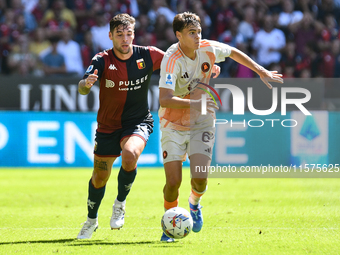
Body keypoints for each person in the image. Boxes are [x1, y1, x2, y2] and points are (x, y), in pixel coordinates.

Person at [76, 12, 220, 240]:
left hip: (138, 121)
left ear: (134, 35)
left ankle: (120, 204)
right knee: (99, 178)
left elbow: (181, 60)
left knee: (130, 153)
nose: (125, 39)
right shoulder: (102, 60)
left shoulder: (149, 55)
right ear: (110, 36)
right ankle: (91, 220)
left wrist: (206, 67)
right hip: (107, 126)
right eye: (120, 34)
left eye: (129, 34)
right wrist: (86, 84)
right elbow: (82, 88)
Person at [158, 12, 283, 242]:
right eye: (191, 33)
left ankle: (194, 205)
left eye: (199, 32)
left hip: (202, 119)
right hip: (172, 122)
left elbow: (233, 52)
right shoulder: (171, 59)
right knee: (173, 183)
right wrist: (196, 101)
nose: (197, 37)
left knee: (200, 178)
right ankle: (169, 224)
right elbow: (164, 99)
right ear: (178, 36)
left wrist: (260, 71)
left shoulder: (208, 48)